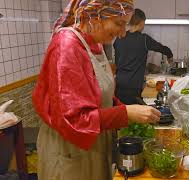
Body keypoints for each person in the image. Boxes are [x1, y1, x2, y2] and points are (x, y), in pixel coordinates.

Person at [32, 1, 161, 180]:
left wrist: (128, 109)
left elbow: (100, 95)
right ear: (95, 14)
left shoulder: (95, 45)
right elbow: (74, 120)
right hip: (70, 150)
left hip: (93, 144)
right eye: (119, 23)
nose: (123, 33)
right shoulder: (67, 45)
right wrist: (126, 113)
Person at [113, 9, 173, 105]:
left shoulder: (119, 38)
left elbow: (117, 62)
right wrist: (170, 55)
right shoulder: (144, 39)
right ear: (141, 22)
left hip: (119, 85)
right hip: (133, 86)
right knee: (133, 116)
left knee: (122, 114)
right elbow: (161, 48)